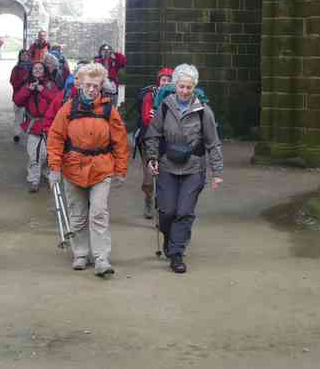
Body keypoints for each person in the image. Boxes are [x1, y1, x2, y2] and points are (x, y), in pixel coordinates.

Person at [46, 63, 129, 277]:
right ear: (80, 84)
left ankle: (102, 257)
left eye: (96, 86)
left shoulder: (109, 111)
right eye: (88, 85)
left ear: (101, 86)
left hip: (101, 168)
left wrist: (120, 170)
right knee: (78, 215)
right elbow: (55, 138)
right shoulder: (68, 108)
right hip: (73, 168)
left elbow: (120, 142)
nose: (92, 89)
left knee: (99, 213)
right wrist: (54, 167)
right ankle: (81, 253)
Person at [144, 64, 223, 274]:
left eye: (189, 87)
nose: (185, 91)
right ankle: (170, 239)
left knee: (184, 211)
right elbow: (153, 134)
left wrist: (217, 172)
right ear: (175, 85)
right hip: (168, 165)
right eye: (181, 86)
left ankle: (176, 253)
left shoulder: (203, 111)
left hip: (193, 167)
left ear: (194, 87)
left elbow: (213, 142)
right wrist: (152, 157)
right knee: (167, 211)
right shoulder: (164, 107)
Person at [135, 67, 173, 219]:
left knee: (166, 175)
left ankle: (162, 203)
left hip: (169, 141)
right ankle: (148, 200)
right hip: (149, 139)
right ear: (159, 81)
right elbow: (146, 119)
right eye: (164, 80)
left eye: (170, 80)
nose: (166, 83)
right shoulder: (150, 97)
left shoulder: (177, 96)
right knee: (149, 176)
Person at [13, 61, 57, 192]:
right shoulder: (27, 84)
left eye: (40, 68)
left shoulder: (50, 84)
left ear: (44, 71)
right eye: (35, 69)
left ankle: (44, 174)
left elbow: (57, 100)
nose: (37, 70)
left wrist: (43, 91)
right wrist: (28, 90)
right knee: (33, 154)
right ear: (31, 71)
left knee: (45, 154)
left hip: (48, 125)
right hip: (33, 125)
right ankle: (34, 180)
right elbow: (18, 101)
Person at [9, 49, 32, 143]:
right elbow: (12, 81)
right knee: (19, 116)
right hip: (19, 95)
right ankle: (17, 134)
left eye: (26, 55)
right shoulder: (17, 68)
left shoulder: (33, 67)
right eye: (22, 55)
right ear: (20, 56)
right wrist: (22, 81)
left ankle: (31, 133)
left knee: (30, 116)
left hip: (30, 96)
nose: (24, 56)